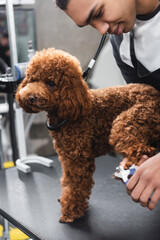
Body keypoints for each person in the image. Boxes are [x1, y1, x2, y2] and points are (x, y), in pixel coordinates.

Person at [55, 0, 160, 211]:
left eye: (99, 12)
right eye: (91, 23)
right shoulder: (120, 42)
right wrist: (143, 156)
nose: (102, 29)